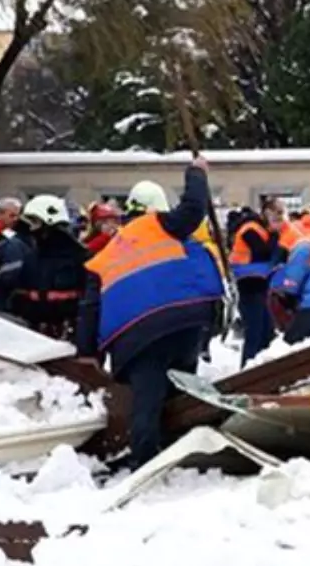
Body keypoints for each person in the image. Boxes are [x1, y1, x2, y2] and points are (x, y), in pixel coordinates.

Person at [75, 157, 224, 469]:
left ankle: (146, 461)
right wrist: (196, 173)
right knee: (181, 388)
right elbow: (195, 208)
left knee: (148, 400)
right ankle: (179, 449)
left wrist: (88, 356)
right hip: (184, 322)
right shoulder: (160, 224)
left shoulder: (103, 255)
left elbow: (90, 308)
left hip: (137, 337)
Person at [6, 195, 89, 339]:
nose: (31, 228)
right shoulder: (33, 254)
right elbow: (19, 291)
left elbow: (89, 301)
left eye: (35, 222)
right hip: (32, 332)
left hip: (69, 335)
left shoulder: (80, 257)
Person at [229, 205, 278, 365]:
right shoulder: (250, 228)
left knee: (266, 331)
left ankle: (260, 367)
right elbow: (262, 252)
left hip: (257, 284)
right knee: (255, 332)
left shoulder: (255, 228)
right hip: (250, 284)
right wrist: (274, 236)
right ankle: (248, 369)